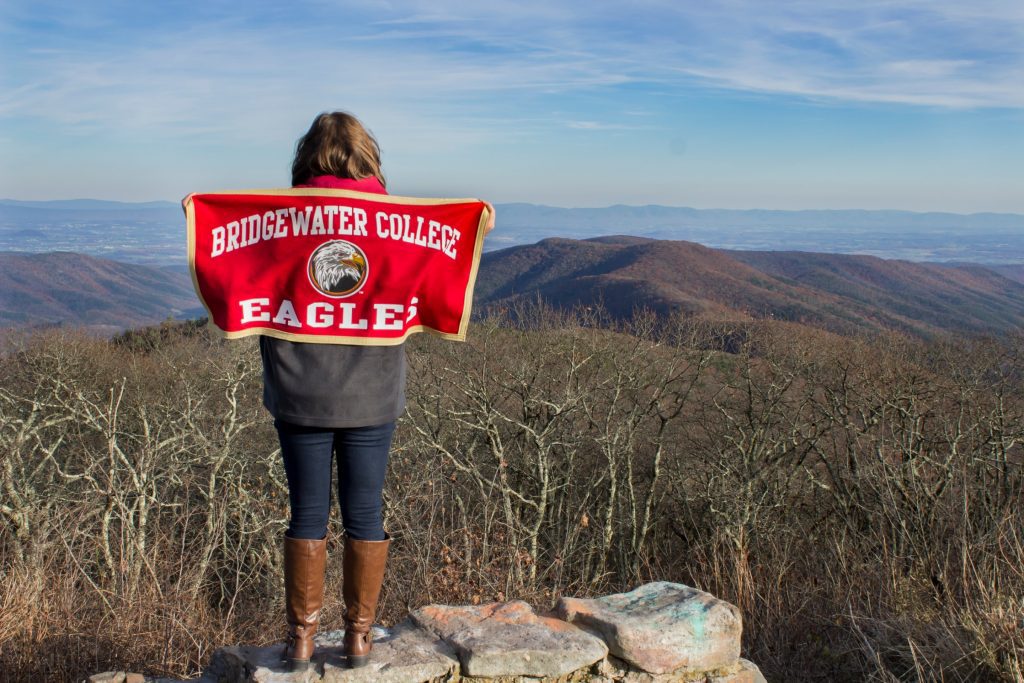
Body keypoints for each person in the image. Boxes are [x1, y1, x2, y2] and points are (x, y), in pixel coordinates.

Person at [262, 111, 494, 672]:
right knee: (364, 512)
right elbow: (428, 276)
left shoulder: (279, 220)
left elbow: (247, 281)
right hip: (372, 392)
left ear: (307, 159)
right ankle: (359, 640)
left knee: (307, 513)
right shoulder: (391, 222)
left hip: (300, 391)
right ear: (368, 157)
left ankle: (300, 640)